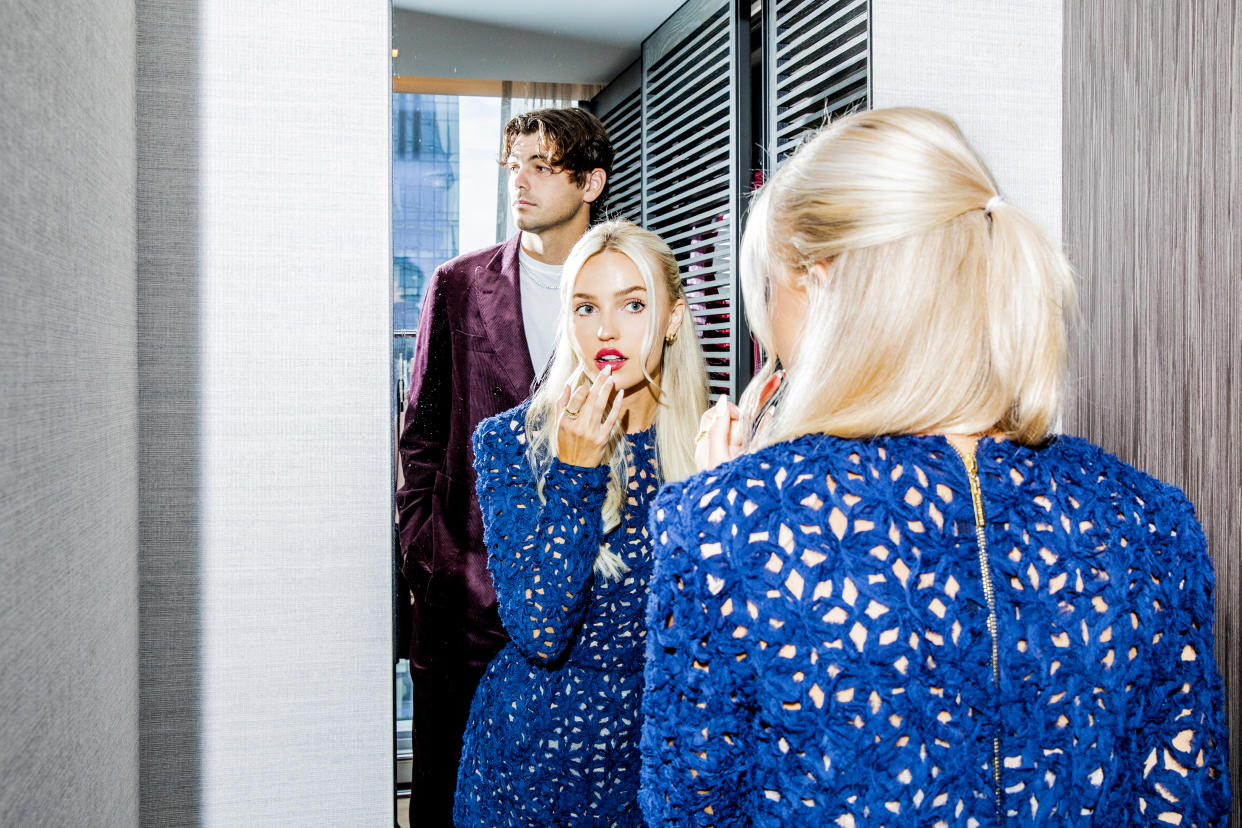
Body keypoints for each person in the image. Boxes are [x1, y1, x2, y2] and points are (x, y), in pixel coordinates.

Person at [639, 108, 1232, 826]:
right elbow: (1181, 804)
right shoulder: (1152, 522)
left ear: (821, 286)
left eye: (769, 289)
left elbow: (691, 808)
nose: (767, 330)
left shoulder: (721, 525)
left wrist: (745, 511)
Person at [396, 106, 613, 826]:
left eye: (541, 166)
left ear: (590, 182)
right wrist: (433, 556)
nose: (518, 181)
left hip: (587, 602)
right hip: (465, 601)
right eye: (512, 165)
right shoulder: (457, 285)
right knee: (450, 797)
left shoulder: (625, 289)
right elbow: (421, 435)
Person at [454, 221, 708, 827]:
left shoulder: (709, 448)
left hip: (651, 763)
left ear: (673, 318)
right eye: (586, 306)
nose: (606, 330)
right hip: (528, 764)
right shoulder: (511, 442)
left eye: (634, 304)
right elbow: (538, 629)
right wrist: (576, 470)